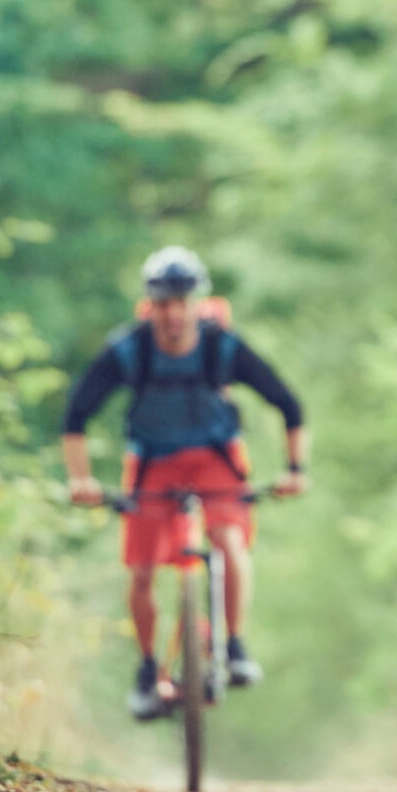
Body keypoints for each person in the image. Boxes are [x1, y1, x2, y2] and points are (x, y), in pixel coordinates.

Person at [63, 246, 307, 718]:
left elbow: (288, 404)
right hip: (154, 462)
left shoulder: (222, 346)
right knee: (142, 571)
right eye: (163, 303)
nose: (174, 314)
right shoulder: (129, 349)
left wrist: (295, 470)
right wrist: (82, 480)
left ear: (198, 302)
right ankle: (148, 667)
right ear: (150, 305)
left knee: (230, 542)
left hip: (216, 459)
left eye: (182, 302)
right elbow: (77, 413)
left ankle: (234, 645)